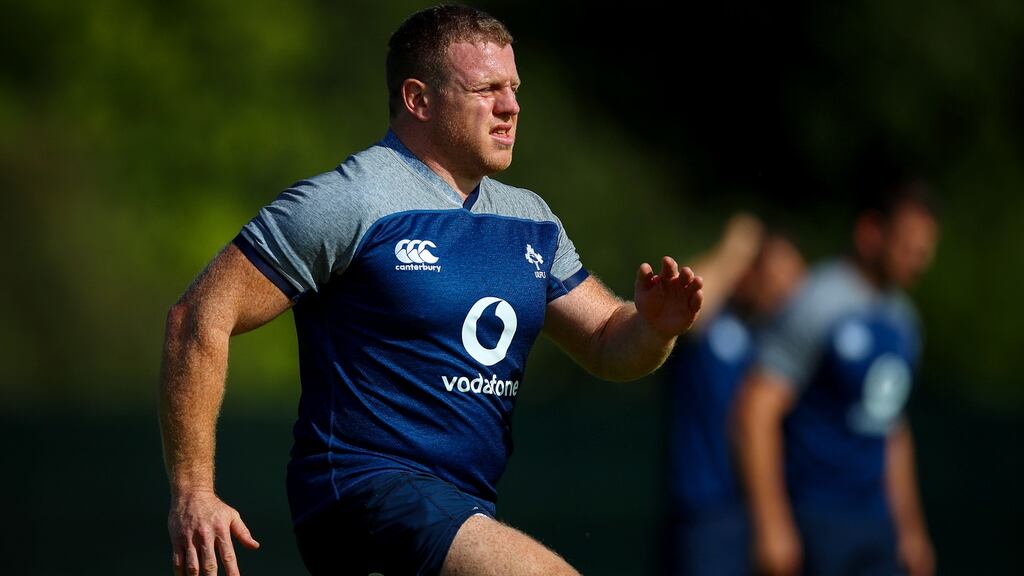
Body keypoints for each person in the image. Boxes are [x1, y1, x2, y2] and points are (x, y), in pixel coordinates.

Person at [158, 5, 704, 576]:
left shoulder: (531, 219)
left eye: (513, 88)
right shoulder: (351, 200)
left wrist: (654, 327)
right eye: (486, 89)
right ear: (418, 99)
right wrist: (193, 493)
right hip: (363, 493)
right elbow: (198, 316)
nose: (511, 106)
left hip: (461, 505)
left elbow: (608, 345)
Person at [736, 180, 938, 576]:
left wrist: (911, 529)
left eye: (925, 249)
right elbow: (757, 409)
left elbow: (891, 427)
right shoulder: (817, 302)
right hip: (814, 519)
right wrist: (771, 522)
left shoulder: (904, 321)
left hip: (875, 522)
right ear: (871, 233)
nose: (918, 258)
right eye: (908, 244)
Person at [665, 215, 805, 576]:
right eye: (774, 274)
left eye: (792, 276)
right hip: (706, 510)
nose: (783, 287)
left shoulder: (784, 346)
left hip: (768, 508)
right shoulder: (717, 326)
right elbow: (681, 305)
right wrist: (734, 250)